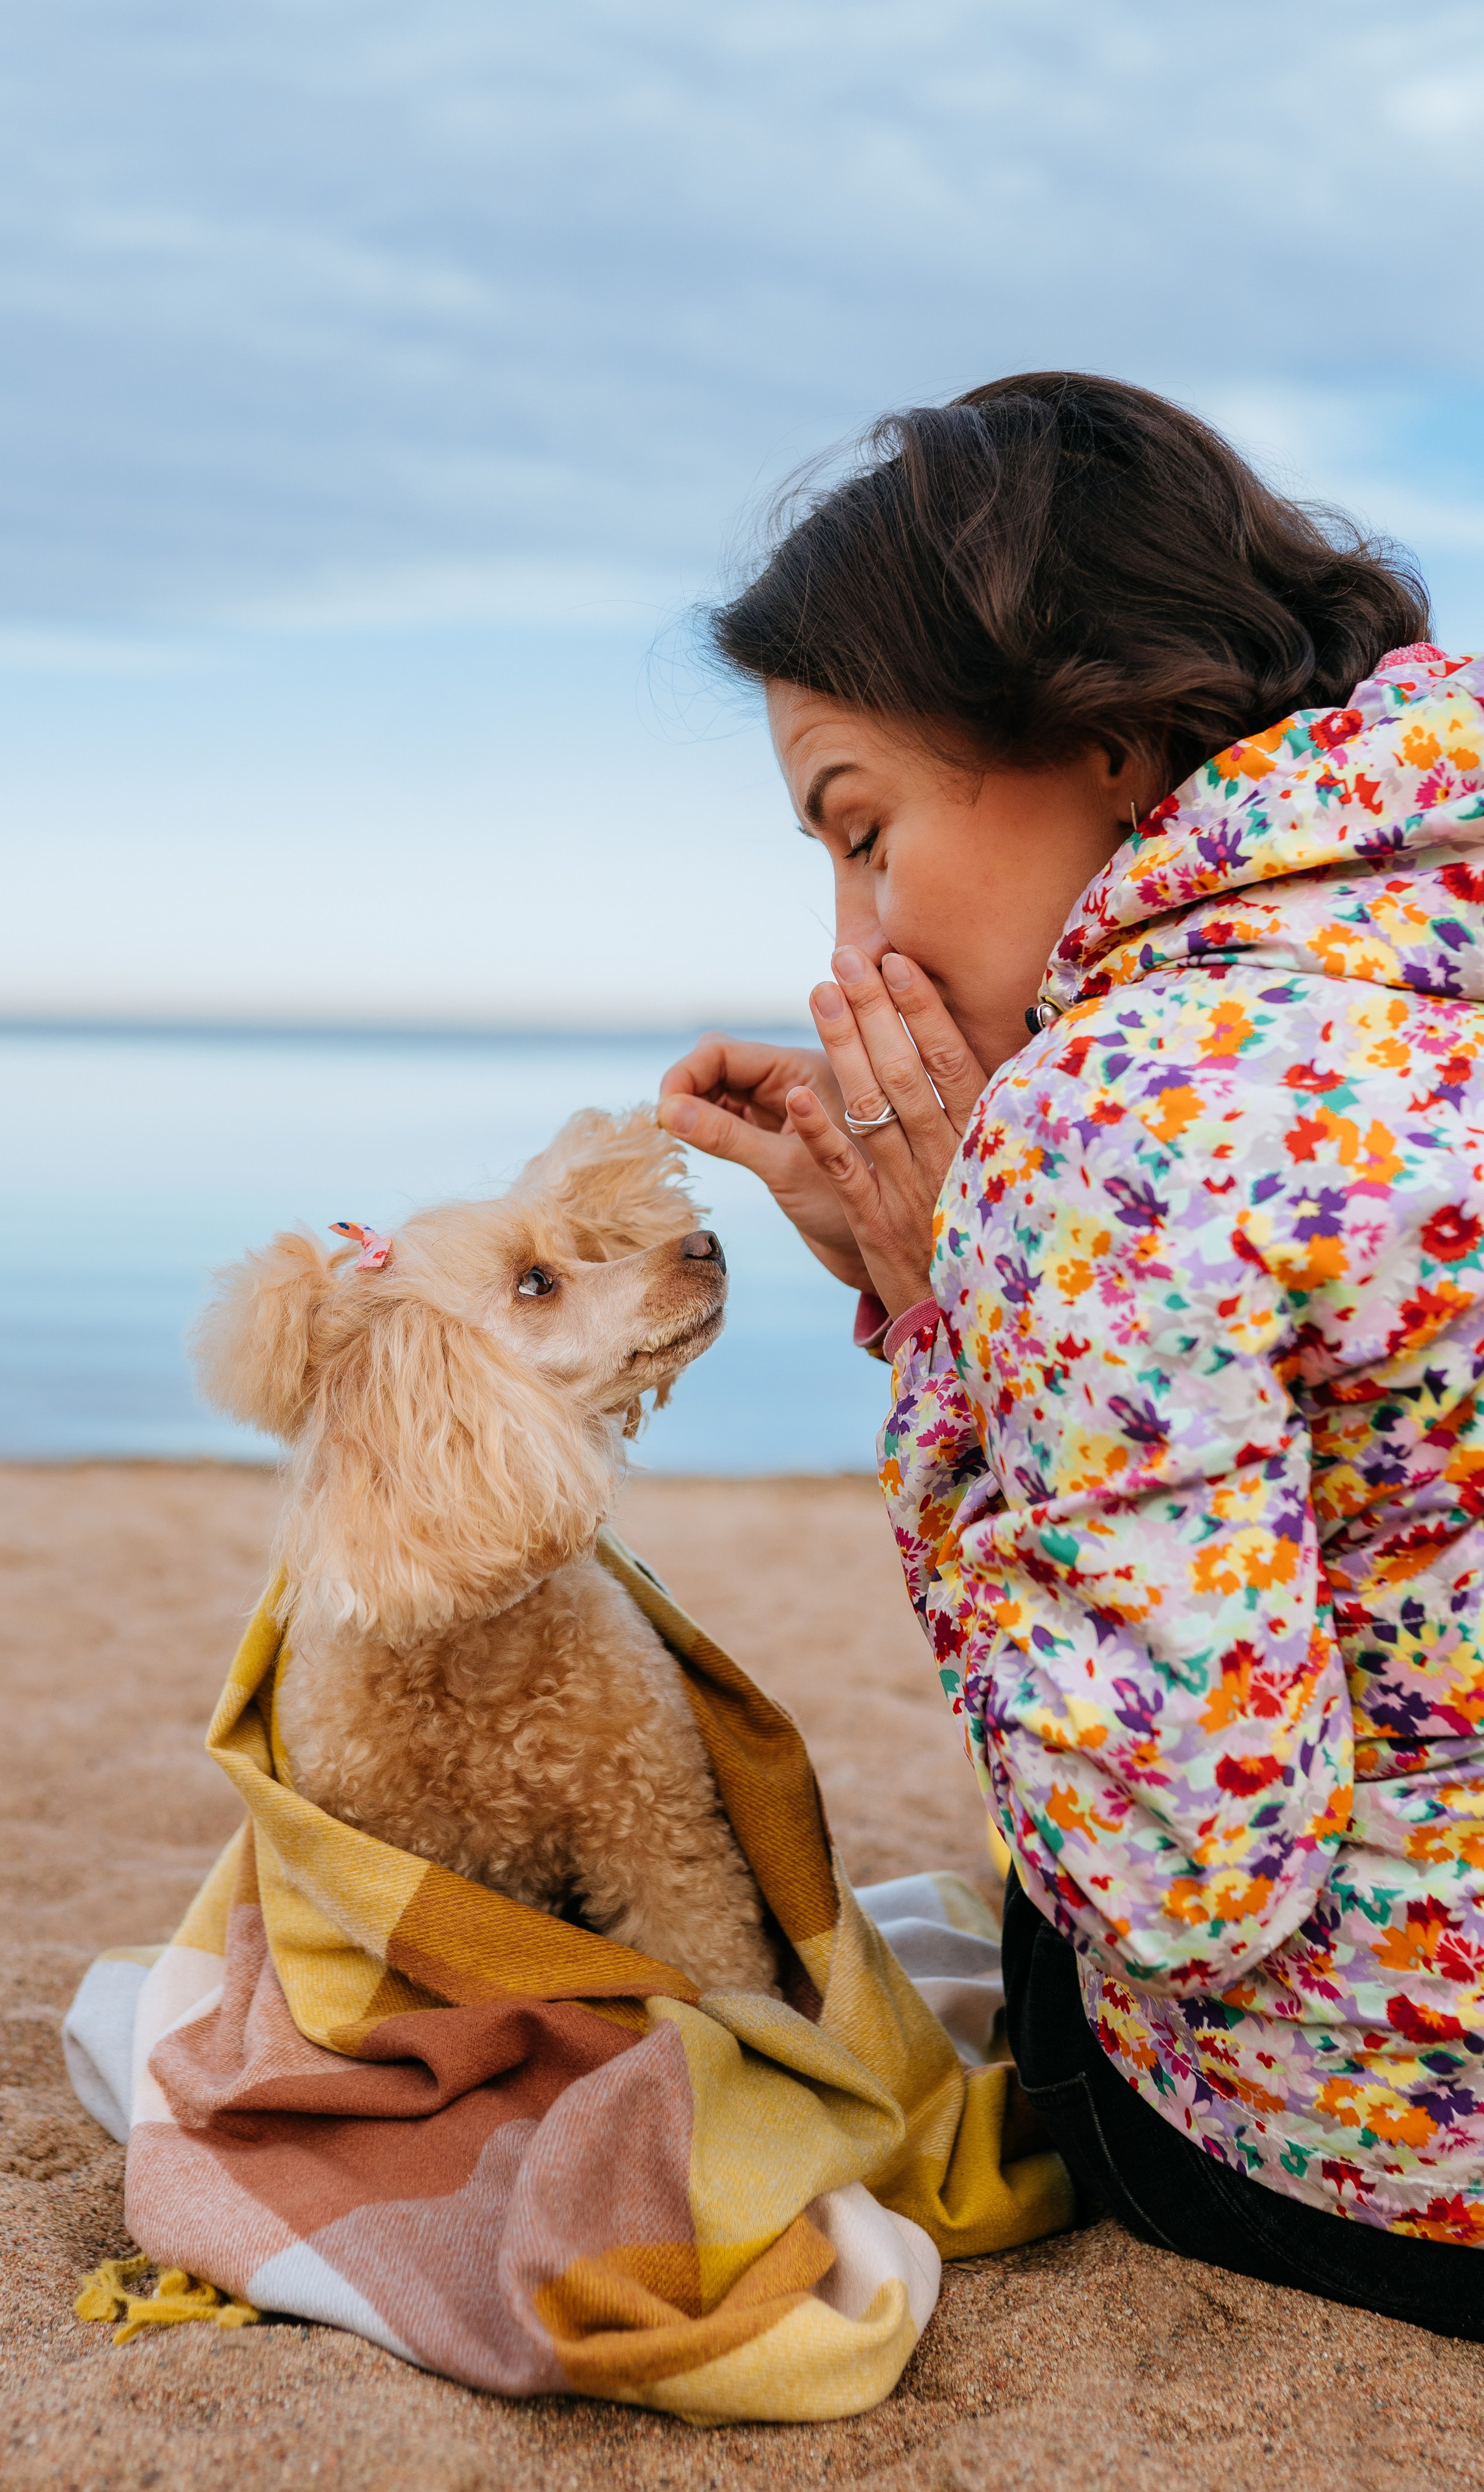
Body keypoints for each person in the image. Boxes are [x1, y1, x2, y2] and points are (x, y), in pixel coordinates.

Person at [658, 371, 1484, 2334]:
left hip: (1399, 2167)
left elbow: (1181, 1878)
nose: (848, 939)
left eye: (859, 831)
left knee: (1059, 1921)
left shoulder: (1104, 1129)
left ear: (1110, 743)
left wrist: (964, 1309)